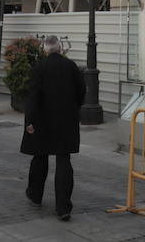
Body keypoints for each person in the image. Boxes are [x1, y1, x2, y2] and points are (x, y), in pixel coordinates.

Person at [21, 35, 85, 221]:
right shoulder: (71, 66)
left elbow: (33, 96)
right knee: (63, 159)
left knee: (40, 156)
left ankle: (35, 194)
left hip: (43, 120)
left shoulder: (39, 67)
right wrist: (74, 108)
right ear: (60, 48)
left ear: (45, 49)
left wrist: (30, 121)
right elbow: (81, 90)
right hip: (66, 120)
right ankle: (63, 207)